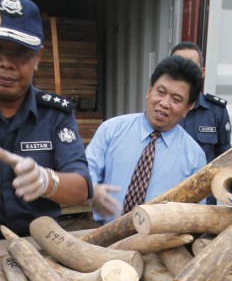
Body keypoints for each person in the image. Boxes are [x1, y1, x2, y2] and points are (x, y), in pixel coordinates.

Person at [0, 0, 92, 242]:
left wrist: (47, 181)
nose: (6, 63)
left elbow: (81, 188)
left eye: (19, 53)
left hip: (40, 244)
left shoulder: (56, 115)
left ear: (37, 57)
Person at [86, 54, 206, 223]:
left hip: (161, 238)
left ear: (188, 107)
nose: (164, 103)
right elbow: (86, 170)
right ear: (149, 90)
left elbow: (196, 214)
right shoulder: (111, 130)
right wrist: (92, 190)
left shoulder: (195, 157)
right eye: (161, 92)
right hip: (104, 232)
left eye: (176, 99)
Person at [170, 41, 232, 164]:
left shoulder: (217, 111)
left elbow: (225, 158)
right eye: (178, 65)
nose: (185, 71)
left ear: (202, 73)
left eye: (191, 65)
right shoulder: (161, 107)